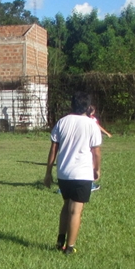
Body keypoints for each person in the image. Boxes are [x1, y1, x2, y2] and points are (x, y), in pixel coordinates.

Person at [44, 92, 102, 254]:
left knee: (66, 205)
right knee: (75, 210)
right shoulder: (91, 125)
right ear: (88, 107)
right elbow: (96, 152)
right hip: (82, 173)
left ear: (72, 104)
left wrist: (48, 172)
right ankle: (69, 247)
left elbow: (53, 149)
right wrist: (97, 169)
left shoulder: (62, 122)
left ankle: (60, 240)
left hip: (64, 173)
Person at [86, 105, 111, 190]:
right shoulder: (92, 119)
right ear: (93, 112)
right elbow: (98, 127)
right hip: (91, 142)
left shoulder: (82, 118)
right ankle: (90, 183)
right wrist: (107, 133)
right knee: (92, 161)